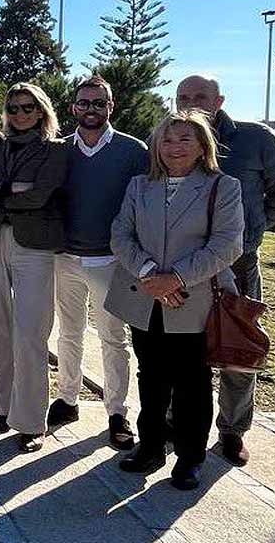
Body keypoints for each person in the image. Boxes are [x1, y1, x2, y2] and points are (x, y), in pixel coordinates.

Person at [106, 109, 245, 490]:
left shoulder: (223, 186)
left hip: (193, 299)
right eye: (166, 139)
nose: (174, 147)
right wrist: (150, 273)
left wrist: (176, 278)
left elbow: (227, 244)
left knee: (192, 383)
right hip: (144, 295)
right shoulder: (139, 186)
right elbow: (121, 235)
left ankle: (190, 457)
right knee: (150, 377)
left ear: (202, 146)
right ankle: (151, 446)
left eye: (185, 139)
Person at [175, 75, 275, 466]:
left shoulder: (256, 139)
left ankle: (232, 430)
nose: (191, 102)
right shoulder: (170, 138)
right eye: (183, 97)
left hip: (237, 266)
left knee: (238, 349)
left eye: (200, 96)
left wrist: (251, 231)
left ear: (220, 99)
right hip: (183, 268)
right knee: (182, 350)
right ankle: (175, 423)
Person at [0, 83, 69, 453]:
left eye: (28, 107)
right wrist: (13, 189)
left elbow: (42, 193)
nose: (20, 113)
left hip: (35, 245)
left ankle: (30, 421)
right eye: (13, 108)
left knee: (30, 331)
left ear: (41, 111)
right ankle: (4, 407)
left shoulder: (56, 150)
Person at [48, 74, 148, 451]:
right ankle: (68, 399)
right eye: (84, 102)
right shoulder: (59, 150)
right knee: (68, 333)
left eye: (98, 102)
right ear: (73, 107)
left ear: (111, 107)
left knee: (113, 339)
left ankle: (117, 412)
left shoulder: (133, 150)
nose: (90, 108)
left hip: (111, 261)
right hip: (65, 258)